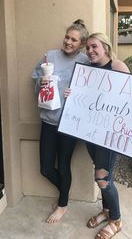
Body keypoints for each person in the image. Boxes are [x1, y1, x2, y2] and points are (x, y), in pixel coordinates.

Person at [65, 32, 132, 238]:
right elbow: (85, 99)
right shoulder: (88, 71)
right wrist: (71, 95)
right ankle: (106, 210)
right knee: (100, 174)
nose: (90, 51)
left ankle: (116, 220)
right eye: (88, 48)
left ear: (106, 48)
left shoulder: (117, 66)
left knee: (103, 179)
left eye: (95, 47)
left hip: (110, 137)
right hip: (92, 133)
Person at [32, 19, 89, 223]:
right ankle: (64, 192)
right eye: (67, 37)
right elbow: (35, 78)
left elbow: (94, 91)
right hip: (48, 120)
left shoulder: (85, 61)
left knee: (63, 166)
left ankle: (63, 204)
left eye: (74, 40)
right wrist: (42, 82)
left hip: (69, 124)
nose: (68, 42)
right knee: (46, 168)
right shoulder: (50, 55)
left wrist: (77, 94)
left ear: (81, 44)